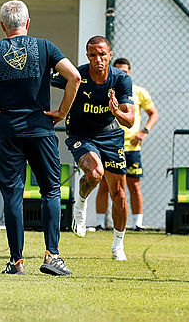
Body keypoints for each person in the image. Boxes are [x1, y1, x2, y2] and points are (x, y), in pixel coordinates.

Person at [0, 0, 80, 276]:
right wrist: (61, 111)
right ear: (28, 22)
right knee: (50, 190)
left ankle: (16, 261)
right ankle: (52, 256)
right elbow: (74, 77)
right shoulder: (45, 47)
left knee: (13, 194)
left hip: (7, 131)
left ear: (2, 25)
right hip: (41, 130)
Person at [52, 37, 135, 260]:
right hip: (81, 134)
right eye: (92, 55)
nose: (98, 59)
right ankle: (80, 203)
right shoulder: (77, 75)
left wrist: (116, 112)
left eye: (102, 54)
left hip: (110, 135)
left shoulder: (121, 79)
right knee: (95, 173)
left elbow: (130, 120)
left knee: (119, 195)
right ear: (87, 56)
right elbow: (43, 80)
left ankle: (118, 245)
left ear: (110, 55)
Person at [96, 58, 158, 231]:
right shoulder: (105, 90)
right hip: (108, 144)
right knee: (103, 183)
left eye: (125, 71)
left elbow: (153, 113)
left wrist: (144, 131)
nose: (122, 74)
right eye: (118, 70)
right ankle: (100, 223)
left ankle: (137, 223)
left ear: (130, 72)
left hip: (131, 147)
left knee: (134, 185)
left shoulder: (139, 92)